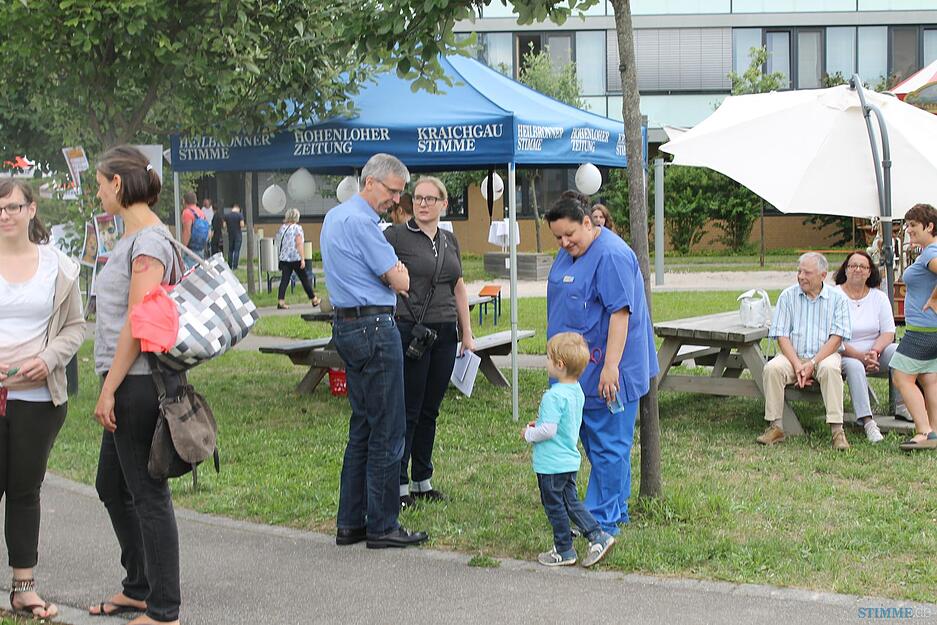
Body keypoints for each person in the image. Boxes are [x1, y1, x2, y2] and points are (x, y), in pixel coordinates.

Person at [90, 145, 182, 624]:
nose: (99, 193)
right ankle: (139, 586)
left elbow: (137, 322)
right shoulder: (134, 237)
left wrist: (111, 388)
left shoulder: (148, 240)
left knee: (148, 495)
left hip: (138, 382)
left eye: (101, 184)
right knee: (112, 485)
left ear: (118, 184)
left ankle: (164, 609)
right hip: (124, 377)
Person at [321, 153, 428, 549]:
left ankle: (350, 522)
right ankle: (383, 525)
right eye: (392, 191)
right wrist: (398, 269)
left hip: (347, 325)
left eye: (400, 193)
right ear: (371, 182)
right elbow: (399, 279)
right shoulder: (364, 223)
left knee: (363, 426)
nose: (396, 201)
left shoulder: (335, 217)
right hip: (375, 326)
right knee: (389, 427)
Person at [544, 193, 658, 536]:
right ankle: (615, 508)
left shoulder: (612, 255)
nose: (564, 243)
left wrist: (611, 367)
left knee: (609, 447)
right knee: (597, 445)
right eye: (558, 238)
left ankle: (601, 520)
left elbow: (620, 313)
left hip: (609, 369)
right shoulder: (571, 252)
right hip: (578, 369)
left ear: (589, 223)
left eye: (570, 235)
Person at [0, 180, 84, 620]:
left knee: (25, 490)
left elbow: (76, 327)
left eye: (13, 206)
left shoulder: (59, 267)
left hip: (37, 398)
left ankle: (23, 586)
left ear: (31, 210)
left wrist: (48, 358)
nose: (5, 215)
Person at [384, 176, 475, 507]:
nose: (422, 204)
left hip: (445, 332)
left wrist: (467, 333)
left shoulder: (450, 240)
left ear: (443, 204)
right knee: (408, 409)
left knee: (430, 410)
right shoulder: (395, 236)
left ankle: (424, 479)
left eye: (429, 199)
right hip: (411, 331)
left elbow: (459, 287)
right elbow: (379, 274)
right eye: (418, 198)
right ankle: (400, 484)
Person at [522, 332, 616, 568]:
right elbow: (561, 423)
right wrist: (541, 423)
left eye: (548, 358)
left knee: (554, 505)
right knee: (570, 503)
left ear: (560, 365)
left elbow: (549, 431)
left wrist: (529, 434)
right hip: (567, 461)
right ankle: (585, 538)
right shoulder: (576, 391)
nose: (546, 362)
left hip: (551, 464)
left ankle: (570, 546)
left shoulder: (553, 396)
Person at [757, 252, 852, 450]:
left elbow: (836, 339)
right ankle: (776, 427)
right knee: (772, 368)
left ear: (823, 275)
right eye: (799, 271)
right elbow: (782, 335)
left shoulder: (838, 299)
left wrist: (812, 363)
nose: (801, 276)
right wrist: (798, 364)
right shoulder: (787, 296)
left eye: (807, 273)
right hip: (793, 356)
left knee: (830, 369)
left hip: (825, 355)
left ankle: (837, 431)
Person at [832, 250, 901, 443]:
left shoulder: (879, 297)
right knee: (854, 367)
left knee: (897, 352)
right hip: (844, 353)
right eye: (853, 266)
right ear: (845, 269)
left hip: (876, 352)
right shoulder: (833, 296)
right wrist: (861, 357)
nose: (857, 270)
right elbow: (833, 337)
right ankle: (868, 422)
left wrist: (874, 352)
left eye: (863, 267)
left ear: (870, 272)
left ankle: (904, 407)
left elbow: (888, 332)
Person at [890, 203, 937, 450]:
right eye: (907, 225)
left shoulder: (931, 252)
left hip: (922, 332)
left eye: (913, 225)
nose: (908, 230)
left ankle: (923, 430)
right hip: (932, 331)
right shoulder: (929, 251)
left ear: (930, 226)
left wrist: (934, 298)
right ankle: (935, 433)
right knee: (930, 379)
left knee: (901, 377)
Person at [275, 208, 319, 310]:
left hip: (285, 258)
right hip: (296, 258)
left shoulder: (282, 228)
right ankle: (314, 299)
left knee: (284, 280)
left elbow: (277, 242)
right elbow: (299, 244)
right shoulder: (297, 228)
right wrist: (303, 258)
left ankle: (281, 301)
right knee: (304, 279)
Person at [180, 191, 208, 267]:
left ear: (184, 201)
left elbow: (187, 232)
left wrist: (182, 248)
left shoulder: (187, 213)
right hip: (200, 248)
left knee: (189, 273)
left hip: (190, 250)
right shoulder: (201, 212)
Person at [224, 204, 244, 270]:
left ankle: (229, 265)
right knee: (236, 251)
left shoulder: (227, 215)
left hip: (230, 234)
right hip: (238, 234)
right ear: (238, 209)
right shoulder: (239, 215)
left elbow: (224, 225)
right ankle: (235, 266)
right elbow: (242, 225)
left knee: (230, 250)